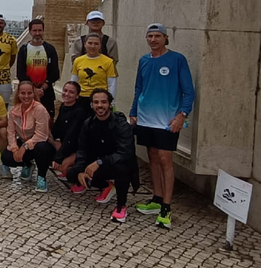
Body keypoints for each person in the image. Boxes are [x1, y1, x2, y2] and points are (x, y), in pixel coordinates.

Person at [129, 23, 195, 229]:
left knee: (166, 159)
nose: (153, 39)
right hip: (146, 118)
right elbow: (139, 87)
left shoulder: (177, 60)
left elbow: (189, 91)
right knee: (152, 157)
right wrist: (133, 111)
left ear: (165, 38)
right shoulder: (144, 60)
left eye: (158, 36)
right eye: (150, 36)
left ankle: (167, 206)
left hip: (167, 120)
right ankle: (156, 199)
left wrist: (182, 115)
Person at [68, 88, 139, 223]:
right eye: (96, 102)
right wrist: (80, 170)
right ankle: (106, 185)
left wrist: (100, 162)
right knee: (71, 173)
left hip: (117, 164)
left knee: (121, 168)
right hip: (98, 164)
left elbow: (125, 153)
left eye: (103, 102)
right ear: (91, 105)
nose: (100, 105)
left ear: (110, 104)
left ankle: (121, 206)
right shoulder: (88, 124)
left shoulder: (121, 124)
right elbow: (82, 149)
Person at [1, 81, 56, 192]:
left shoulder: (40, 109)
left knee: (42, 149)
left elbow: (41, 134)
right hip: (23, 141)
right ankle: (27, 164)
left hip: (41, 143)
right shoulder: (13, 111)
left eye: (29, 93)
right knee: (6, 157)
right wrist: (15, 148)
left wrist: (24, 146)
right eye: (23, 93)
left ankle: (41, 177)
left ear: (33, 94)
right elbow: (11, 132)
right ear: (18, 94)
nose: (26, 96)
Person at [17, 19, 60, 116]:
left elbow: (55, 72)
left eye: (40, 30)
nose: (37, 33)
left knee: (47, 120)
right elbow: (21, 73)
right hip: (28, 93)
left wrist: (42, 88)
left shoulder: (50, 49)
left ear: (43, 31)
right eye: (35, 30)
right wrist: (33, 90)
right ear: (30, 32)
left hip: (46, 92)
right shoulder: (24, 50)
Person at [71, 33, 118, 112]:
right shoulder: (78, 61)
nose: (92, 46)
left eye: (96, 44)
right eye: (90, 43)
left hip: (100, 100)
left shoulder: (108, 62)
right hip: (82, 99)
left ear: (100, 46)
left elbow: (112, 84)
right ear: (85, 44)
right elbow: (73, 81)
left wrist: (110, 102)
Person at [50, 81, 88, 180]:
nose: (67, 94)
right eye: (65, 90)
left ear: (77, 96)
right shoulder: (63, 106)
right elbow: (57, 128)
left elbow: (72, 135)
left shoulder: (79, 112)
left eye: (71, 92)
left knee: (63, 166)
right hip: (65, 143)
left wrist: (58, 158)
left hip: (77, 148)